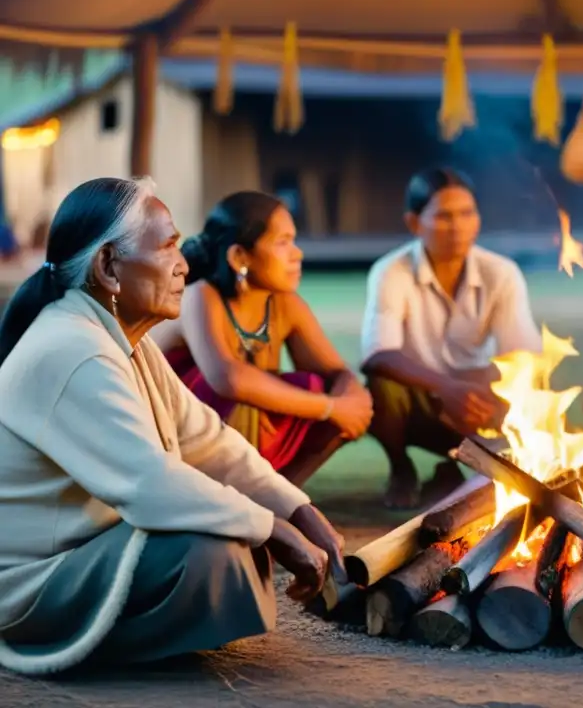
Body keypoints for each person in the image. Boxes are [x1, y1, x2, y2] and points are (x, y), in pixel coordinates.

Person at [0, 177, 345, 673]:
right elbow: (150, 484)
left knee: (228, 536)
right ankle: (107, 648)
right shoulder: (74, 347)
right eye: (167, 247)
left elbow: (209, 441)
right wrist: (272, 529)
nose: (184, 265)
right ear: (109, 267)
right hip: (31, 587)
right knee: (210, 551)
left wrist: (298, 510)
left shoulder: (118, 339)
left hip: (82, 557)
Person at [154, 191, 373, 487]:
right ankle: (222, 495)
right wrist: (330, 407)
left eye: (293, 241)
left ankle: (283, 495)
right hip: (176, 441)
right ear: (239, 257)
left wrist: (351, 397)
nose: (297, 253)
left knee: (326, 389)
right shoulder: (200, 296)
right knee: (259, 392)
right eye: (282, 242)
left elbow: (336, 372)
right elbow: (227, 379)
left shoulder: (285, 303)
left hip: (234, 440)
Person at [361, 166, 543, 509]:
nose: (458, 226)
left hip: (477, 398)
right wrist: (445, 387)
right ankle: (401, 468)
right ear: (415, 223)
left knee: (521, 391)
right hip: (416, 398)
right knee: (379, 387)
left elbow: (522, 355)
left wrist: (474, 388)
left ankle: (456, 472)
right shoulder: (391, 271)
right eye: (444, 216)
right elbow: (378, 355)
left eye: (467, 213)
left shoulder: (501, 273)